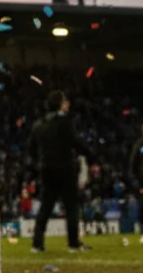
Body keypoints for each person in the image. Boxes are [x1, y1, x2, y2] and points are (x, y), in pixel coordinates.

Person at [28, 90, 93, 254]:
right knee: (71, 206)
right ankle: (73, 244)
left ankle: (37, 244)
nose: (68, 104)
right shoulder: (64, 122)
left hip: (47, 169)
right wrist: (92, 157)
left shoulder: (38, 124)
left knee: (45, 206)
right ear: (59, 104)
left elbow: (31, 149)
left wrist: (40, 162)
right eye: (65, 101)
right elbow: (76, 142)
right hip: (65, 168)